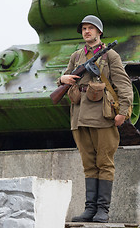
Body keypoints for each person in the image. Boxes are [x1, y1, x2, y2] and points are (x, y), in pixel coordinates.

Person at [57, 15, 133, 223]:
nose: (87, 31)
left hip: (102, 116)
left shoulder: (111, 56)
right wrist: (62, 79)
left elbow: (124, 86)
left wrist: (123, 112)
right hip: (79, 116)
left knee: (104, 163)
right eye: (84, 28)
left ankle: (102, 210)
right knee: (88, 164)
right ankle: (90, 209)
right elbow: (64, 78)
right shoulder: (76, 56)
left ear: (99, 32)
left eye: (91, 28)